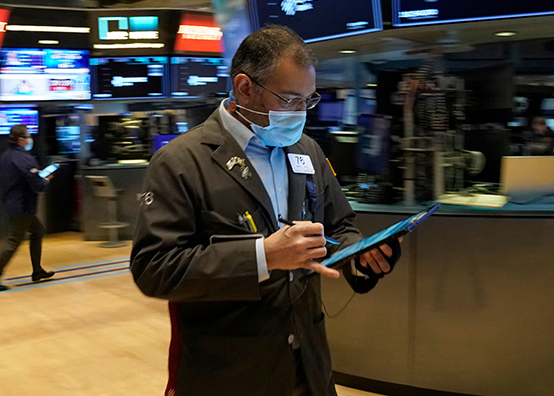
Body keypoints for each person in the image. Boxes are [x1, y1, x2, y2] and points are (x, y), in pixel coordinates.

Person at [131, 25, 401, 396]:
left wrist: (359, 255)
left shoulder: (307, 150)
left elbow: (340, 224)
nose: (301, 113)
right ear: (245, 88)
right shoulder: (181, 162)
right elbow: (154, 269)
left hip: (309, 366)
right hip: (231, 371)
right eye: (289, 99)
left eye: (308, 100)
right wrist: (263, 256)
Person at [0, 125, 55, 291]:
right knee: (13, 241)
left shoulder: (6, 155)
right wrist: (46, 180)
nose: (30, 139)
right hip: (22, 205)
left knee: (38, 231)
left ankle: (37, 271)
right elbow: (36, 184)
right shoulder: (23, 157)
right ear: (21, 139)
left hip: (13, 203)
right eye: (28, 136)